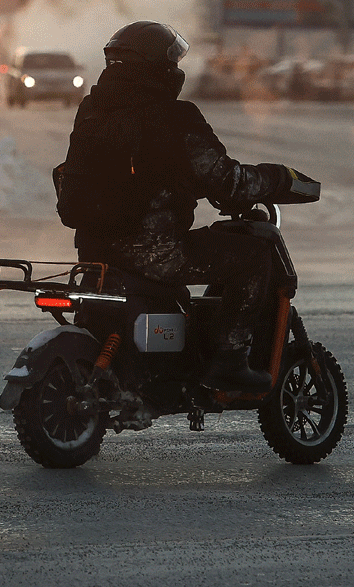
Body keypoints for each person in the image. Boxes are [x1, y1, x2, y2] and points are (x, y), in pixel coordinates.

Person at [59, 21, 293, 392]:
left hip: (96, 253)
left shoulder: (93, 110)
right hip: (155, 252)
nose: (176, 70)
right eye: (171, 62)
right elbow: (228, 181)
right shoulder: (175, 117)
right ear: (156, 68)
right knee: (254, 255)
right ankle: (230, 360)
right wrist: (278, 179)